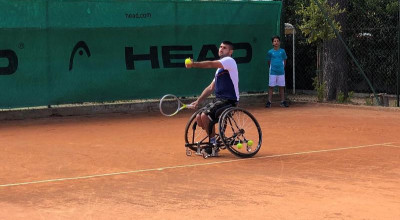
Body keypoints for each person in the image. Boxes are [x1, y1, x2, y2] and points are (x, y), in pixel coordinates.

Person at [185, 41, 239, 147]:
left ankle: (213, 143)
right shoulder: (219, 70)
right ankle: (213, 137)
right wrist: (198, 101)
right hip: (219, 101)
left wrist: (193, 64)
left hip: (229, 100)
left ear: (230, 52)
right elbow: (210, 88)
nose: (221, 49)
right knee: (199, 117)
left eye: (224, 48)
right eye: (220, 47)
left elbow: (210, 63)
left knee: (205, 116)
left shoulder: (229, 61)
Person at [265, 36, 289, 108]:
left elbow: (284, 61)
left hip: (281, 72)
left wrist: (282, 68)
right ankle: (269, 102)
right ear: (272, 43)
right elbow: (269, 62)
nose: (276, 42)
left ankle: (282, 102)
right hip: (273, 72)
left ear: (279, 42)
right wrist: (272, 68)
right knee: (271, 87)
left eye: (277, 41)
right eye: (274, 41)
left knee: (281, 87)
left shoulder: (282, 51)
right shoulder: (270, 52)